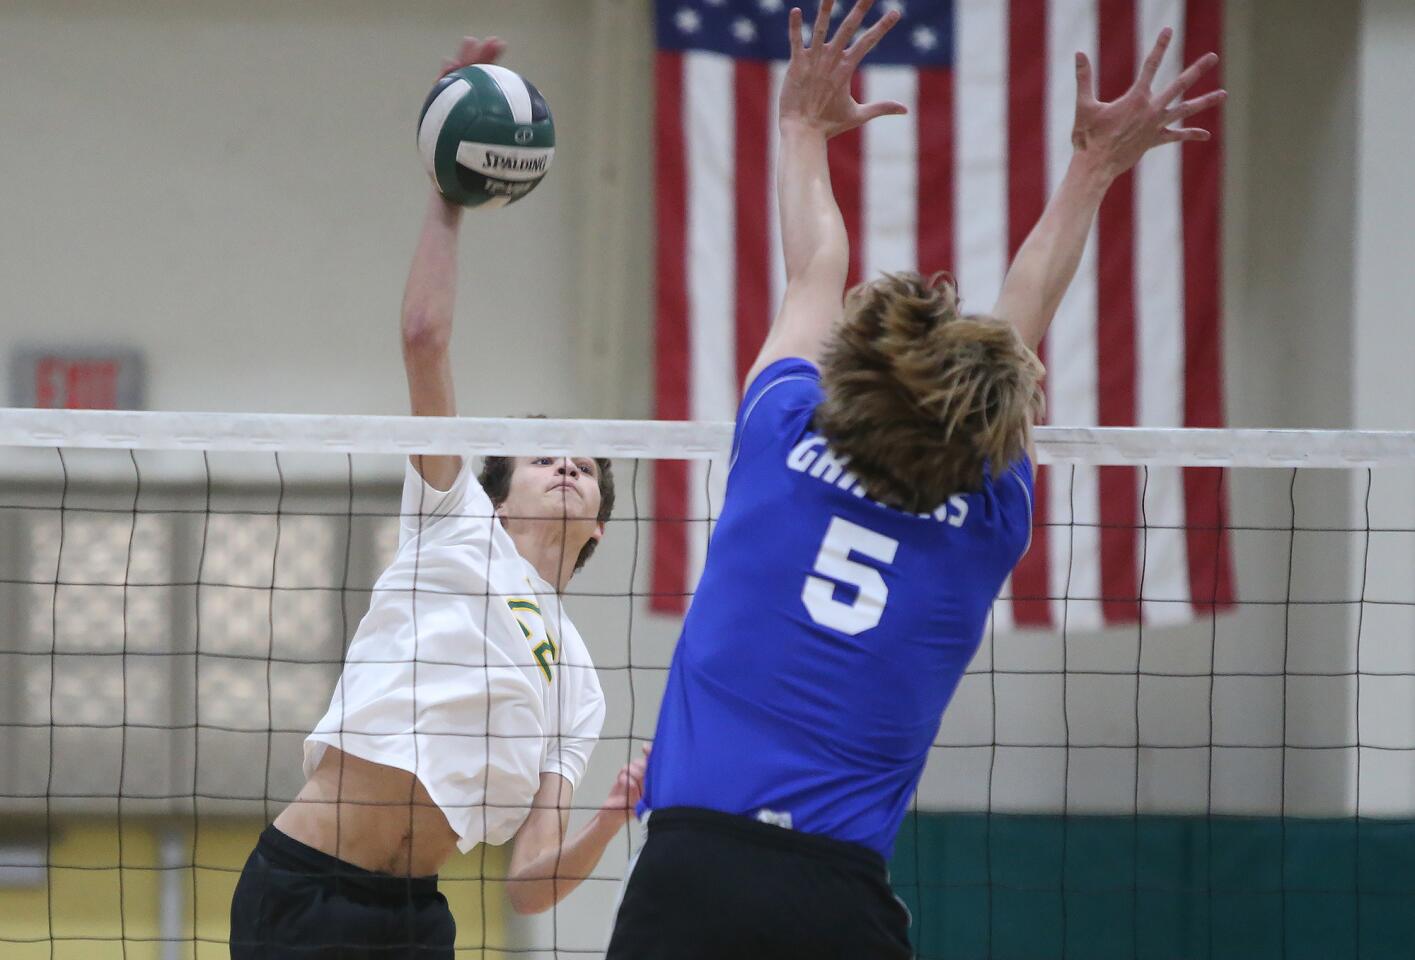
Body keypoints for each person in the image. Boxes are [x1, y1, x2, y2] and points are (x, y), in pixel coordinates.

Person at [606, 1, 1225, 957]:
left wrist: (799, 124)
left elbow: (817, 264)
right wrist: (1094, 168)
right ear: (990, 427)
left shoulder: (779, 438)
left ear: (852, 376)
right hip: (836, 900)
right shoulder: (985, 520)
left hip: (689, 876)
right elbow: (1019, 322)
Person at [230, 35, 648, 960]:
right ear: (499, 497)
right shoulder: (454, 522)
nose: (566, 465)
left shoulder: (577, 681)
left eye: (582, 463)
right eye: (542, 458)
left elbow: (532, 884)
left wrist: (613, 815)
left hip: (419, 919)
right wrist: (444, 190)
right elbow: (424, 336)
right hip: (308, 890)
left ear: (600, 526)